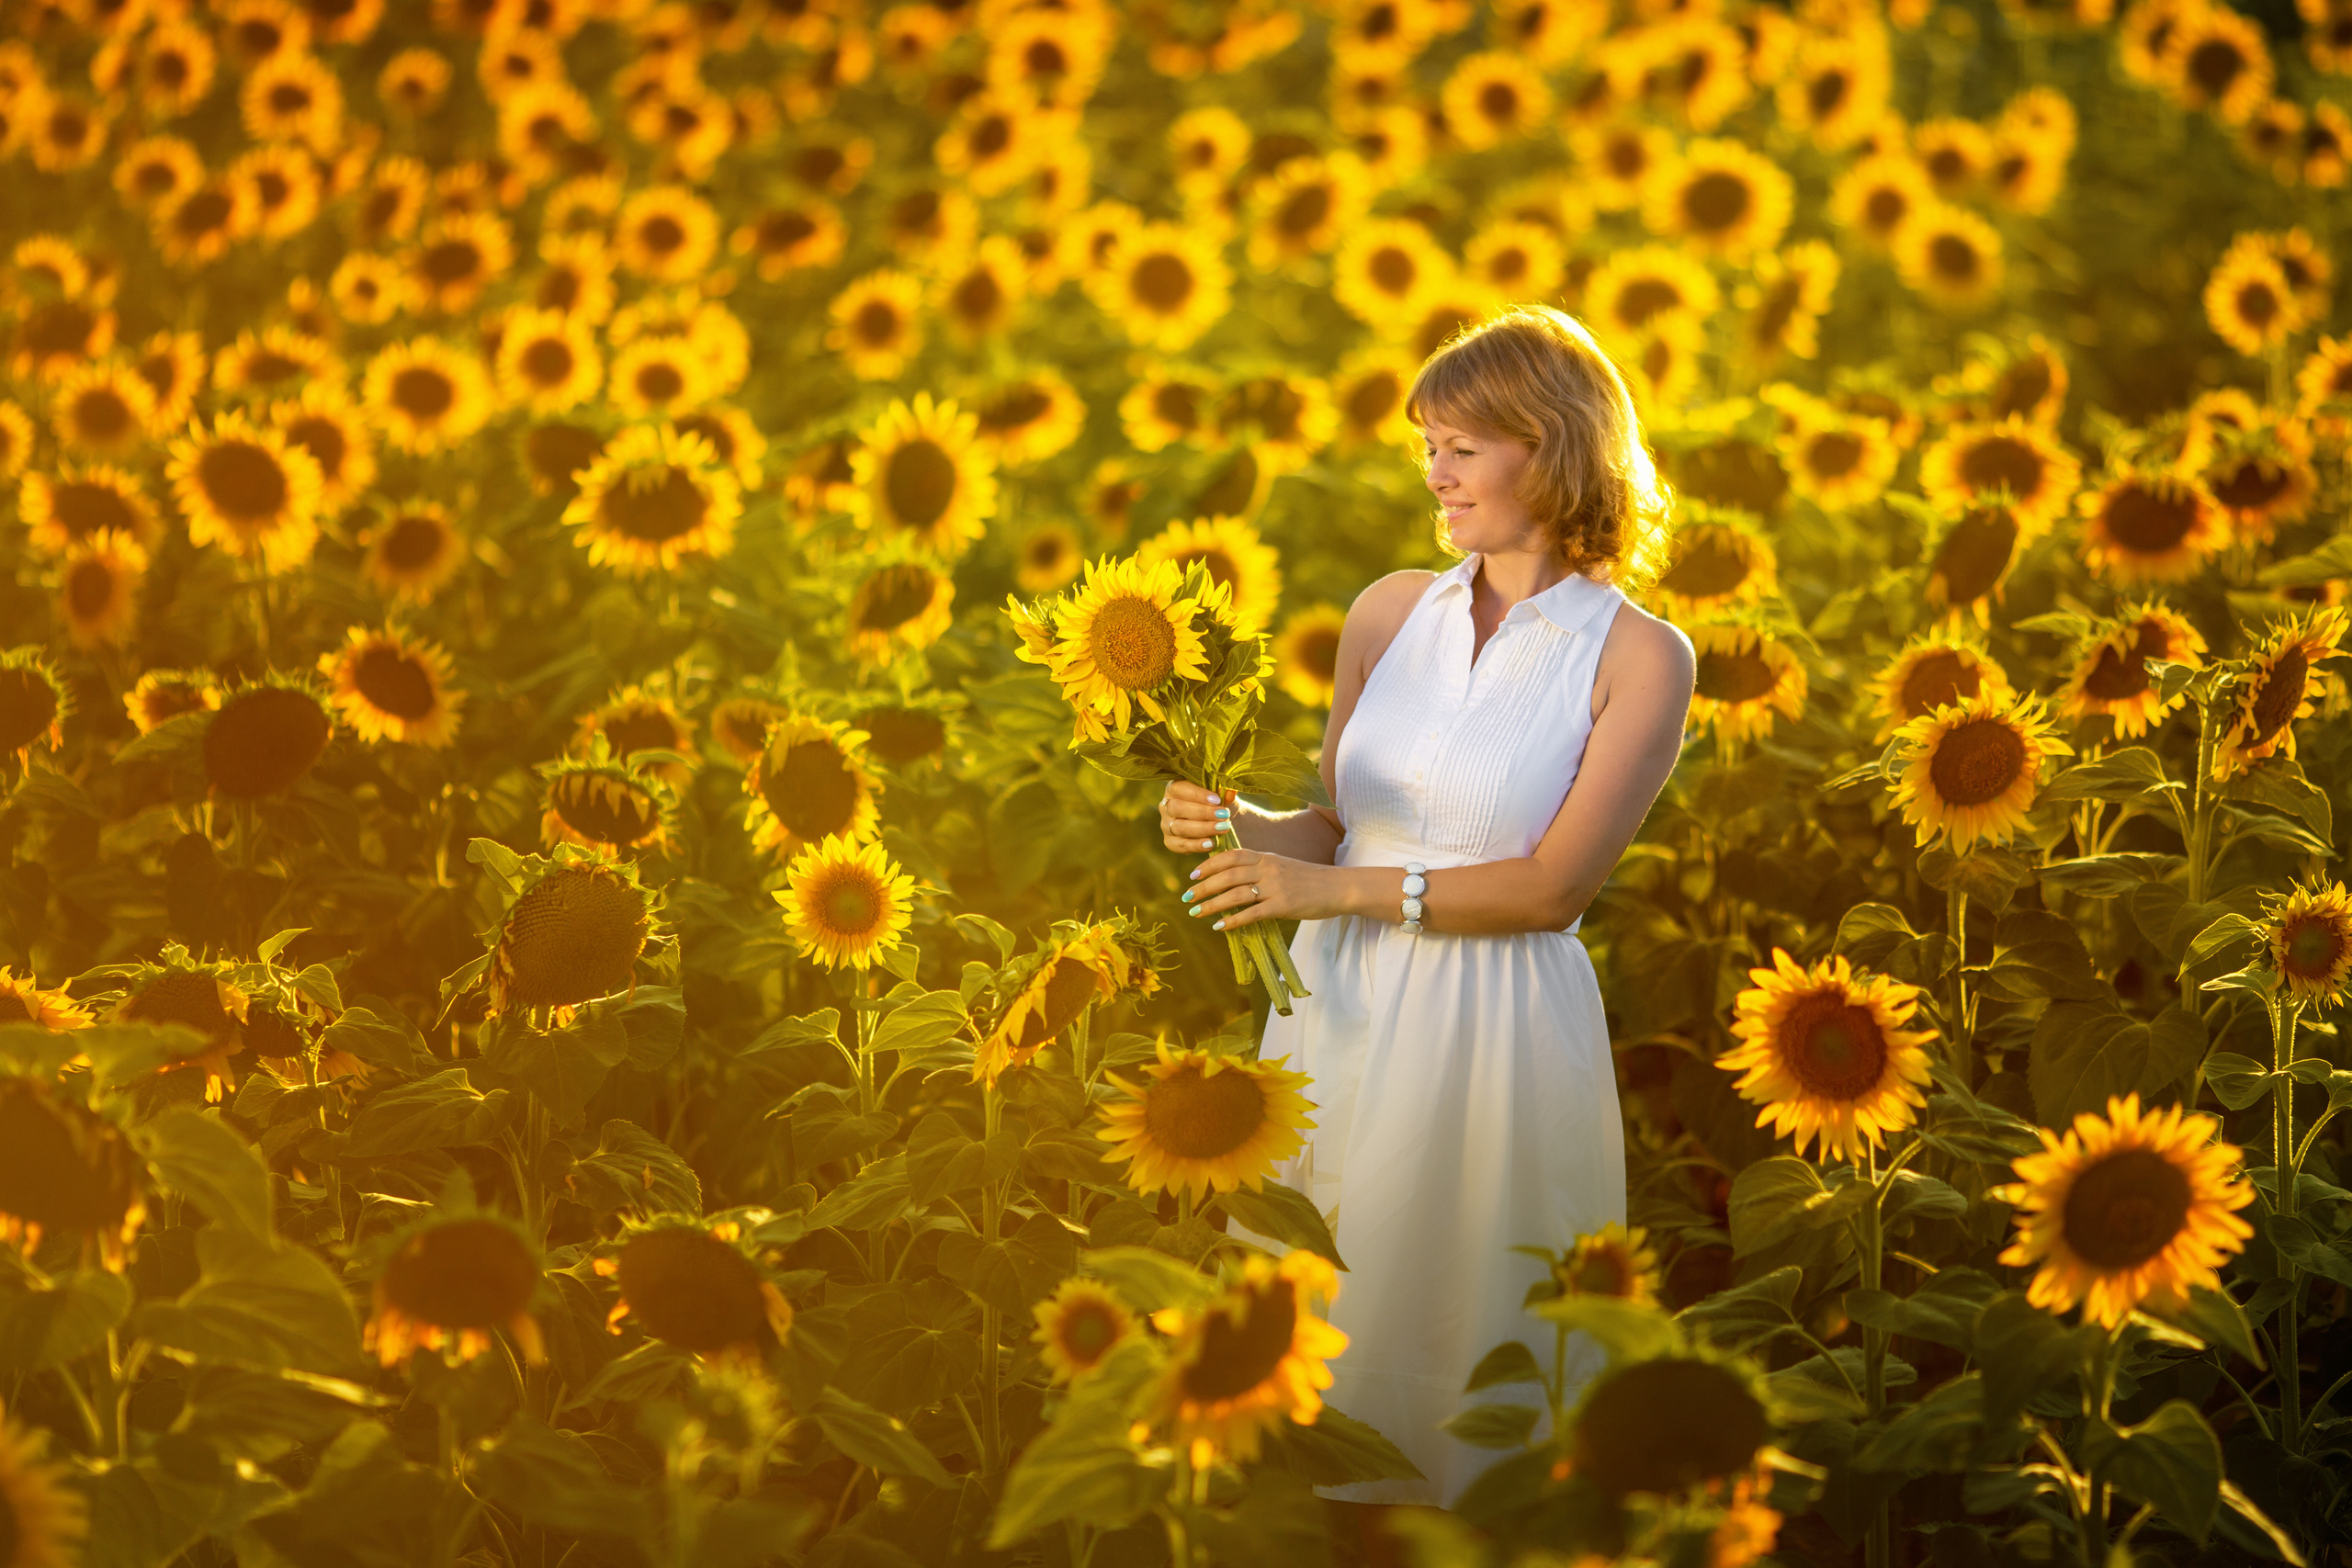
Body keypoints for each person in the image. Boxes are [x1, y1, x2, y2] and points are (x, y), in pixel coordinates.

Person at [1157, 304, 1696, 1533]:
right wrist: (1237, 825)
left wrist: (1326, 891)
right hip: (1344, 1014)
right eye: (1429, 446)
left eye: (1463, 445)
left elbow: (1555, 887)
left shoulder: (1637, 657)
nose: (1434, 472)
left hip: (1490, 1029)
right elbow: (1344, 824)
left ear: (1553, 450)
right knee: (1313, 1338)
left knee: (1466, 1360)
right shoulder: (1392, 610)